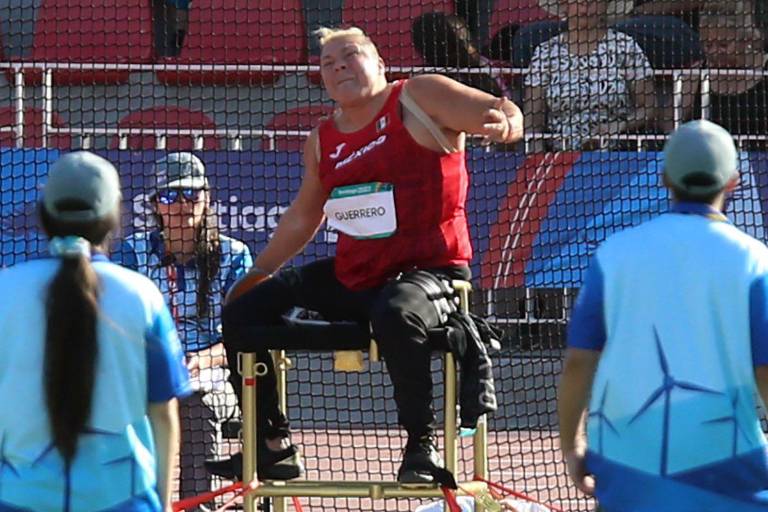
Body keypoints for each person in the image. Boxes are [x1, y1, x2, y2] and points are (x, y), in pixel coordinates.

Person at [205, 26, 523, 485]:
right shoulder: (323, 139)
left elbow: (498, 109)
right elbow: (303, 215)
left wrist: (508, 123)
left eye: (349, 56)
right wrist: (258, 271)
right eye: (327, 63)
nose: (337, 67)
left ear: (378, 63)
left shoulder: (419, 96)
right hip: (358, 276)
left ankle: (421, 447)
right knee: (243, 310)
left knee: (395, 311)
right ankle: (272, 445)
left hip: (427, 274)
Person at [558, 120, 768, 510]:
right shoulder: (754, 259)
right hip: (728, 462)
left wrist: (572, 445)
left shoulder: (614, 252)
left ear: (665, 178)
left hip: (625, 462)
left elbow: (578, 362)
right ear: (733, 181)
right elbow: (765, 370)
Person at [0, 151, 190, 511]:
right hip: (125, 500)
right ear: (114, 216)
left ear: (44, 214)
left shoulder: (5, 291)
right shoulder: (141, 296)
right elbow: (163, 417)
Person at [115, 152, 252, 499]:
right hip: (143, 372)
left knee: (196, 404)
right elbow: (117, 322)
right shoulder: (132, 252)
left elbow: (243, 332)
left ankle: (196, 505)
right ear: (155, 205)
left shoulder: (234, 255)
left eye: (191, 194)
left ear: (206, 199)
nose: (181, 205)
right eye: (169, 196)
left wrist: (202, 360)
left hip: (215, 378)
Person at [524, 0, 657, 151]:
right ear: (564, 5)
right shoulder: (545, 52)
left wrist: (620, 125)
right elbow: (532, 118)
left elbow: (649, 108)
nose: (585, 5)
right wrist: (537, 156)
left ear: (606, 5)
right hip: (561, 160)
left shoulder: (625, 47)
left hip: (617, 157)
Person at [694, 10, 768, 150]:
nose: (715, 52)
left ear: (745, 41)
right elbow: (672, 123)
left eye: (723, 45)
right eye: (708, 45)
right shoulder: (697, 74)